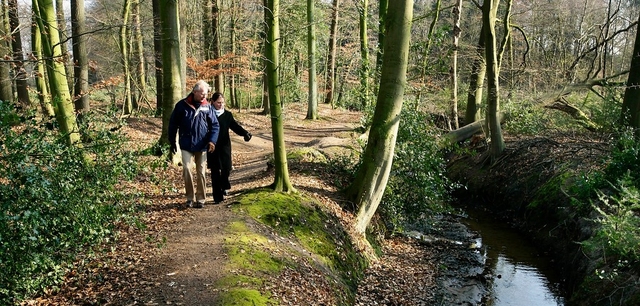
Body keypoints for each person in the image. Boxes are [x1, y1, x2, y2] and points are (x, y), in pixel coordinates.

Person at [168, 80, 220, 208]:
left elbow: (215, 125)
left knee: (201, 172)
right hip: (186, 144)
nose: (205, 96)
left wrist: (212, 141)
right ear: (195, 92)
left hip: (202, 145)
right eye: (202, 94)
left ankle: (201, 199)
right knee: (187, 169)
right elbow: (173, 124)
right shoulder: (181, 105)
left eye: (206, 94)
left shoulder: (207, 106)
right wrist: (172, 141)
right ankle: (190, 198)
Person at [207, 92, 252, 204]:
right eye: (218, 102)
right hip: (212, 146)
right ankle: (217, 197)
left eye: (222, 103)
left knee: (226, 169)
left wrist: (245, 133)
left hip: (225, 146)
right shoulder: (208, 113)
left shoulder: (227, 115)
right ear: (212, 102)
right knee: (215, 171)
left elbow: (235, 126)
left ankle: (224, 185)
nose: (220, 105)